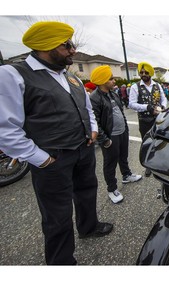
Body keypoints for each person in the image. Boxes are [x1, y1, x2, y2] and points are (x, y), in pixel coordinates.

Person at [0, 21, 113, 265]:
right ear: (47, 46)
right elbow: (5, 128)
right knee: (57, 214)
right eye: (67, 45)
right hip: (52, 158)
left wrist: (93, 130)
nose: (73, 50)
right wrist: (39, 157)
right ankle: (61, 262)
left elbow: (87, 109)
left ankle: (88, 226)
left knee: (87, 193)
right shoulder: (13, 74)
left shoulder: (72, 78)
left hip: (83, 150)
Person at [89, 65, 142, 204]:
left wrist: (126, 128)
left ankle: (126, 175)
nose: (114, 81)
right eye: (111, 78)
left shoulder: (113, 93)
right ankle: (112, 189)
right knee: (110, 164)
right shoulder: (94, 98)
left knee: (123, 157)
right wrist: (104, 140)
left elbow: (120, 112)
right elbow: (94, 121)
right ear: (102, 81)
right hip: (110, 137)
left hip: (122, 132)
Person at [128, 62, 167, 177]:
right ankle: (148, 166)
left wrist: (163, 107)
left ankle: (159, 162)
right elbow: (131, 104)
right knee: (146, 143)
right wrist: (147, 107)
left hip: (158, 119)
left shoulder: (157, 85)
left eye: (146, 72)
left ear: (150, 73)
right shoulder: (135, 87)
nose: (143, 74)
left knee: (159, 140)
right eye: (141, 72)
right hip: (144, 120)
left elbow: (163, 99)